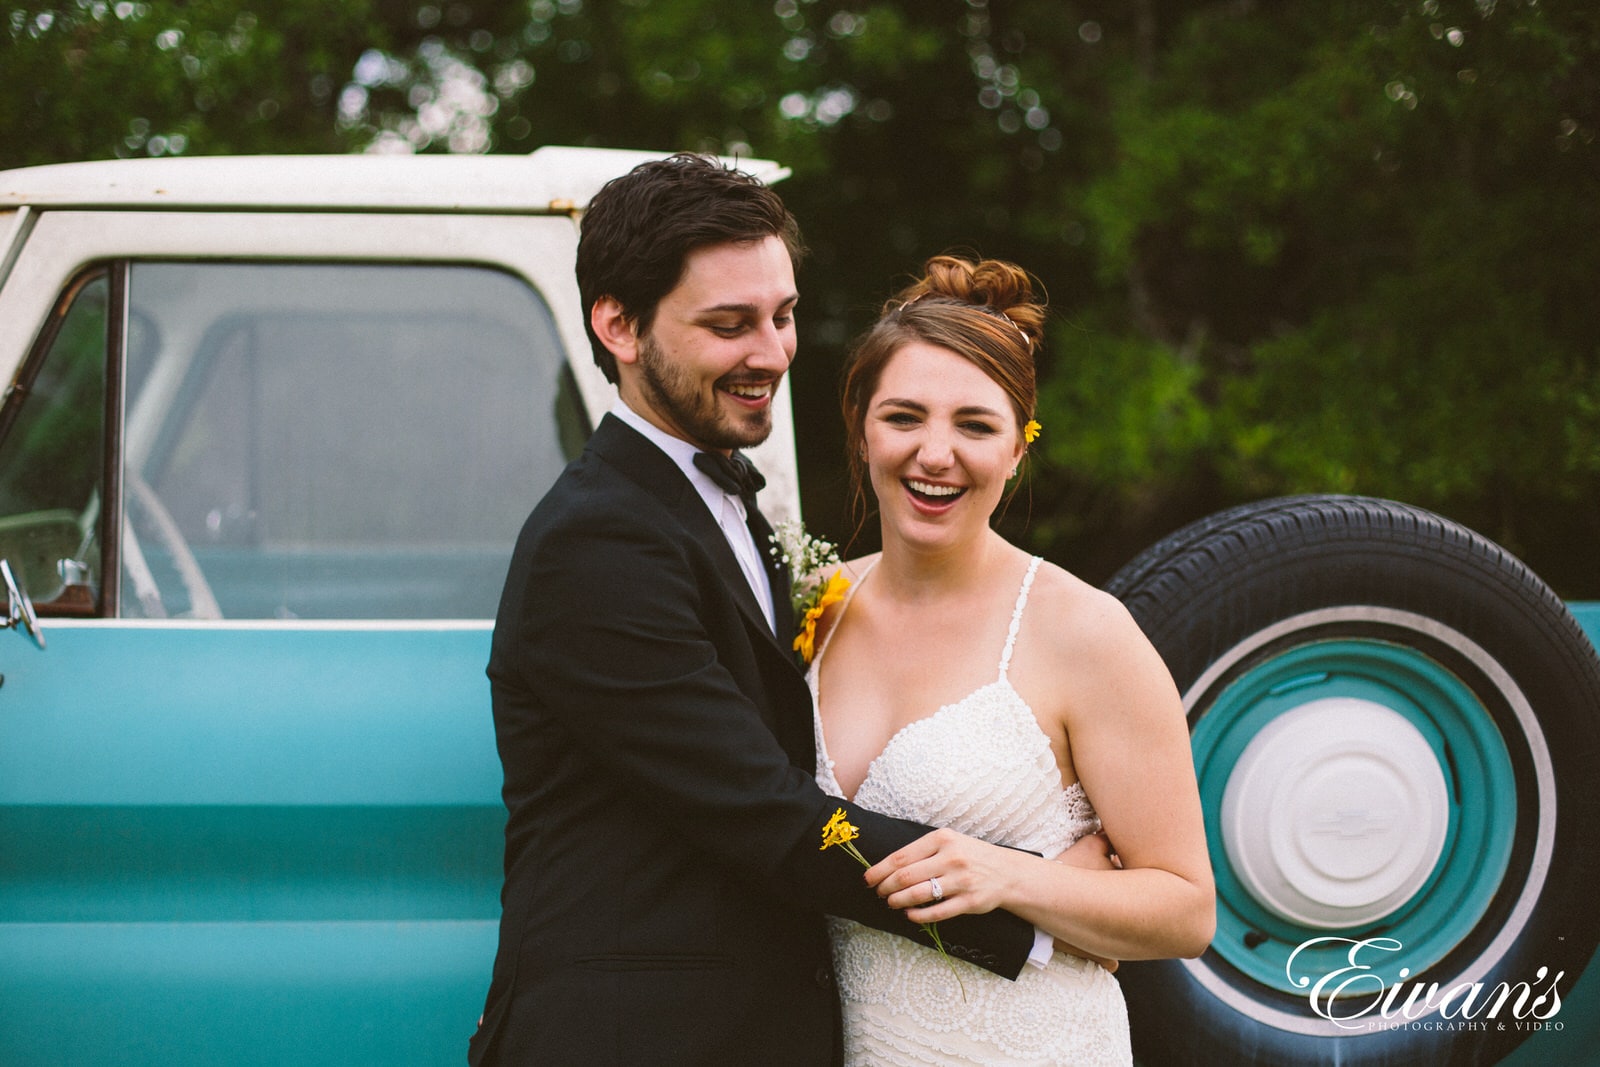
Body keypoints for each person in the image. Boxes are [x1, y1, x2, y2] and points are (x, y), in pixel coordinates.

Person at [470, 157, 1085, 1066]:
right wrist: (1034, 907)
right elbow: (762, 809)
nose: (772, 352)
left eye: (783, 315)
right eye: (730, 324)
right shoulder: (597, 542)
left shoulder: (718, 502)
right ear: (619, 325)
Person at [808, 254, 1216, 1065]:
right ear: (861, 427)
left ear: (1018, 449)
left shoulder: (1084, 631)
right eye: (904, 417)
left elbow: (1186, 910)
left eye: (975, 424)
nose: (935, 453)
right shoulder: (812, 608)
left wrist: (1014, 877)